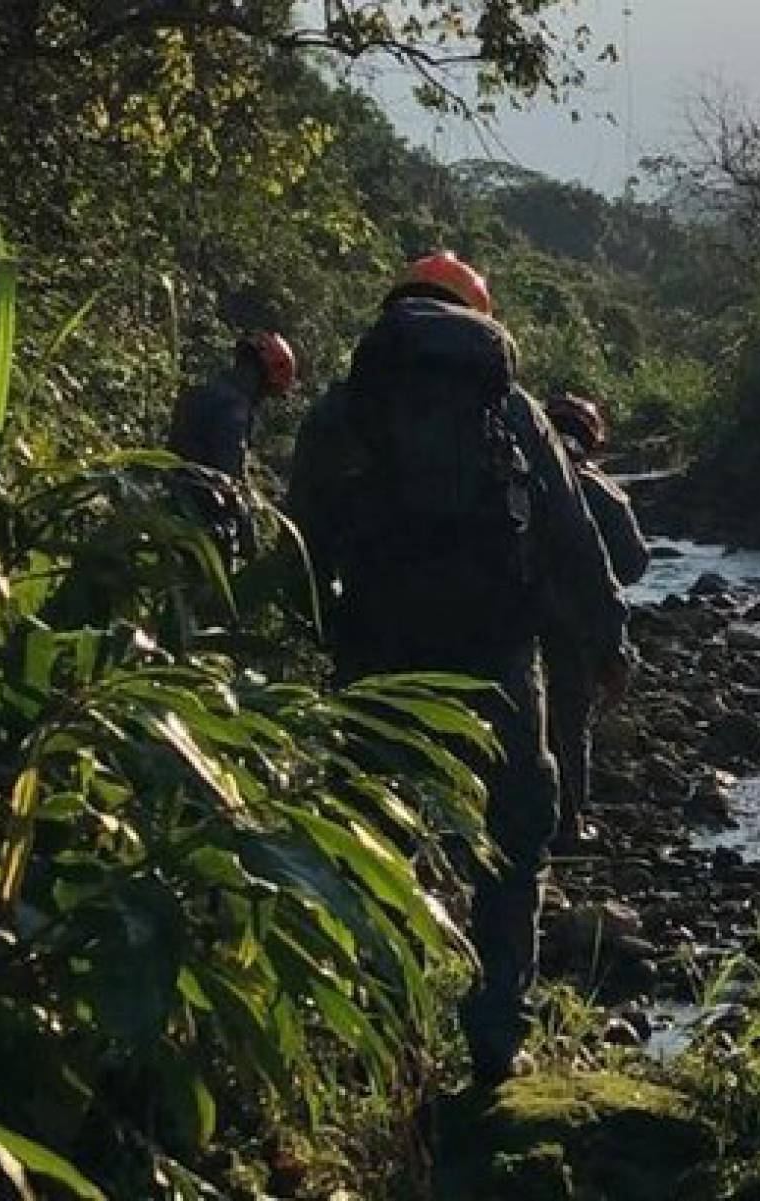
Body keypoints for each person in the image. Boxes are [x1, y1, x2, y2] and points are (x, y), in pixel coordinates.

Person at [286, 252, 631, 1085]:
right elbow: (572, 530)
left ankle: (377, 1030)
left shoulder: (344, 407)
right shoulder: (507, 405)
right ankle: (496, 1035)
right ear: (481, 318)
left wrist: (323, 634)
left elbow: (301, 540)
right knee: (516, 837)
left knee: (374, 837)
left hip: (377, 653)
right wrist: (609, 634)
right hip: (499, 654)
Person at [542, 394, 650, 850]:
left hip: (507, 620)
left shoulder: (509, 473)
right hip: (577, 625)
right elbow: (632, 561)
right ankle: (567, 826)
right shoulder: (602, 491)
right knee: (569, 723)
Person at [167, 331, 297, 559]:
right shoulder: (234, 409)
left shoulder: (200, 392)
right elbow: (228, 478)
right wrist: (249, 539)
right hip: (202, 525)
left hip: (170, 506)